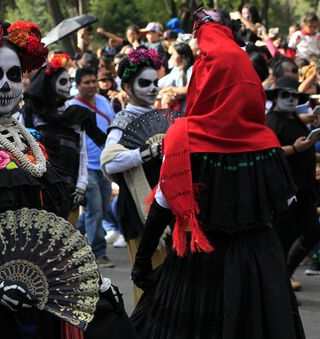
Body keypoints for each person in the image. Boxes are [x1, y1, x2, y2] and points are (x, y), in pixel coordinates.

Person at [0, 18, 131, 339]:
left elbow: (55, 230)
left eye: (14, 75)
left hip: (43, 294)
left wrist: (91, 281)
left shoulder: (33, 141)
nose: (6, 85)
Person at [129, 11, 305, 338]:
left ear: (203, 84)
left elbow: (164, 204)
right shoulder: (266, 143)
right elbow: (286, 207)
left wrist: (142, 263)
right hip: (259, 264)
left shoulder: (184, 138)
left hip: (202, 262)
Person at [101, 48, 178, 306]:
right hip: (139, 210)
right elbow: (110, 161)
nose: (153, 89)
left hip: (169, 208)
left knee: (173, 281)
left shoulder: (163, 118)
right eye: (144, 83)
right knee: (149, 284)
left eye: (156, 82)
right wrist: (148, 152)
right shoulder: (122, 121)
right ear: (127, 87)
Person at [23, 53, 102, 226]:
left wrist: (81, 184)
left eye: (70, 82)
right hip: (40, 191)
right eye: (63, 82)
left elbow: (82, 152)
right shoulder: (32, 113)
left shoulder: (76, 114)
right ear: (50, 84)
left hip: (70, 190)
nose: (68, 87)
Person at [266, 76, 320, 292]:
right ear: (277, 97)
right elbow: (270, 152)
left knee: (312, 232)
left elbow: (297, 120)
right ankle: (279, 286)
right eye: (285, 95)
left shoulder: (294, 117)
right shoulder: (272, 121)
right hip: (284, 190)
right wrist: (296, 149)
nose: (290, 99)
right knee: (282, 238)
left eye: (294, 95)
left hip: (304, 189)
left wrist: (312, 119)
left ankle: (284, 275)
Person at [70, 67, 116, 268]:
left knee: (101, 209)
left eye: (93, 81)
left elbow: (113, 127)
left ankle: (73, 234)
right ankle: (98, 252)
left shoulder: (104, 101)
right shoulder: (72, 107)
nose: (91, 85)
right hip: (85, 167)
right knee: (95, 210)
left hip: (105, 165)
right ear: (78, 85)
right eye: (86, 82)